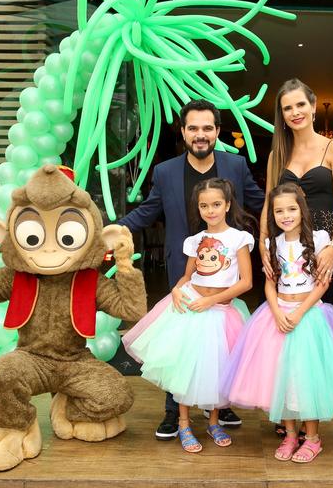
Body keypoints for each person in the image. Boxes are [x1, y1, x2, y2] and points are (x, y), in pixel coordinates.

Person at [118, 99, 264, 440]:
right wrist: (114, 231)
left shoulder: (236, 165)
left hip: (226, 275)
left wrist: (301, 223)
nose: (201, 135)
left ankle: (220, 404)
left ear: (217, 132)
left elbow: (261, 204)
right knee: (179, 343)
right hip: (185, 272)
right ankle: (174, 410)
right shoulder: (166, 172)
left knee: (220, 344)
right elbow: (147, 211)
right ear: (183, 132)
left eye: (207, 128)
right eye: (193, 128)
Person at [223, 183, 333, 463]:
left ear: (302, 210)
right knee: (279, 377)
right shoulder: (272, 243)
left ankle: (313, 438)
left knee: (307, 378)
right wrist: (276, 311)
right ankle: (290, 435)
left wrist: (299, 313)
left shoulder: (319, 239)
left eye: (291, 209)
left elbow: (322, 284)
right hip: (278, 315)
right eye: (279, 210)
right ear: (272, 214)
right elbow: (270, 285)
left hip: (309, 315)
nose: (286, 215)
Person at [122, 178, 254, 453]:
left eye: (216, 204)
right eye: (204, 205)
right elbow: (186, 276)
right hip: (191, 307)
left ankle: (214, 421)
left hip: (220, 311)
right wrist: (176, 290)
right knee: (185, 368)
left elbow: (245, 282)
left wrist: (212, 300)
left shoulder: (239, 238)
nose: (210, 210)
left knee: (218, 370)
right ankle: (183, 423)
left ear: (227, 205)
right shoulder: (194, 241)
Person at [260, 78, 333, 329]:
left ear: (313, 106)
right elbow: (268, 205)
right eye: (287, 108)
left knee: (323, 320)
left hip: (325, 249)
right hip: (286, 247)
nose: (295, 112)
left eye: (300, 104)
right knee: (283, 317)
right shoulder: (276, 155)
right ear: (282, 115)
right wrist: (262, 244)